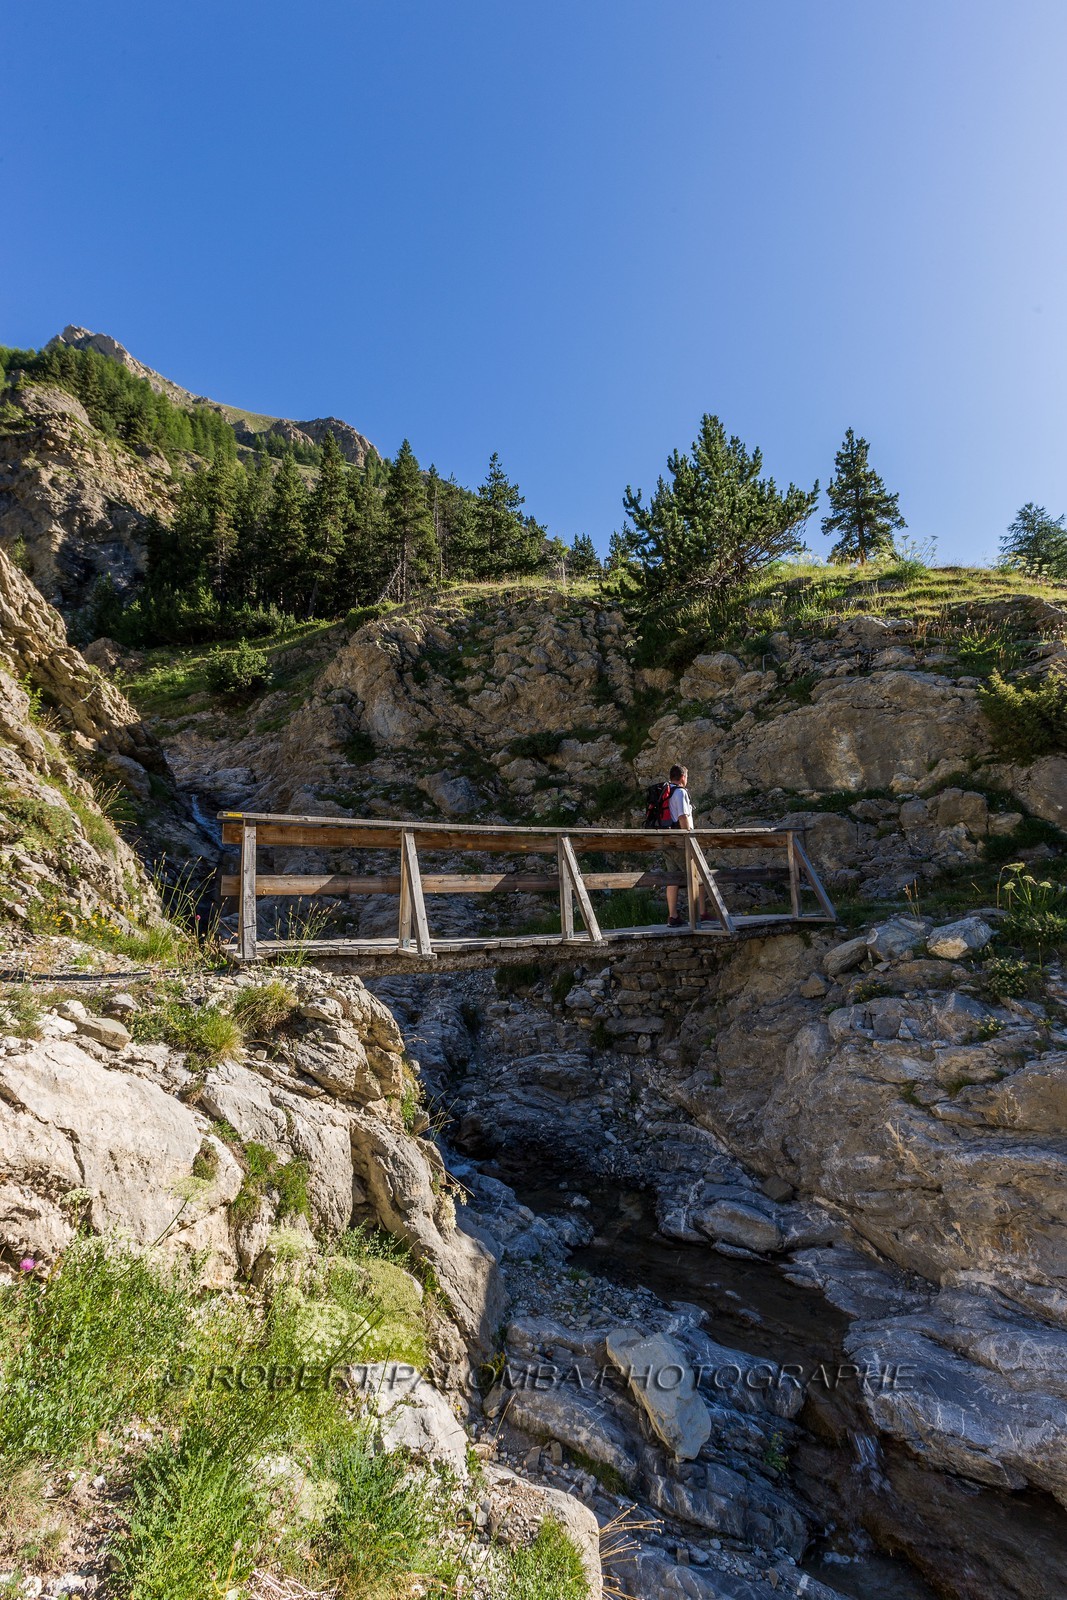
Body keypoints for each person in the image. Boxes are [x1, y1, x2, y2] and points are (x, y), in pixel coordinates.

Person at [663, 764, 708, 927]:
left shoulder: (665, 793)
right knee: (699, 874)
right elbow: (683, 817)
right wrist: (689, 837)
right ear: (683, 777)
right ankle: (701, 914)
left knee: (673, 878)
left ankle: (673, 916)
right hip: (681, 842)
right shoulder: (680, 792)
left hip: (667, 841)